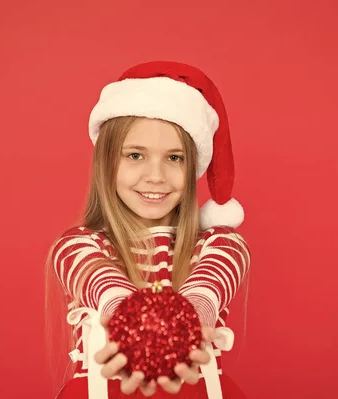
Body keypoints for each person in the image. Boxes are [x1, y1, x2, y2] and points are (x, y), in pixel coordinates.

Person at [47, 61, 251, 399]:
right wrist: (131, 331)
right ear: (106, 162)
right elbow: (103, 286)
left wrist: (188, 327)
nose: (155, 176)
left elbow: (210, 285)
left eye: (174, 158)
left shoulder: (220, 243)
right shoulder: (80, 246)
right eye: (135, 155)